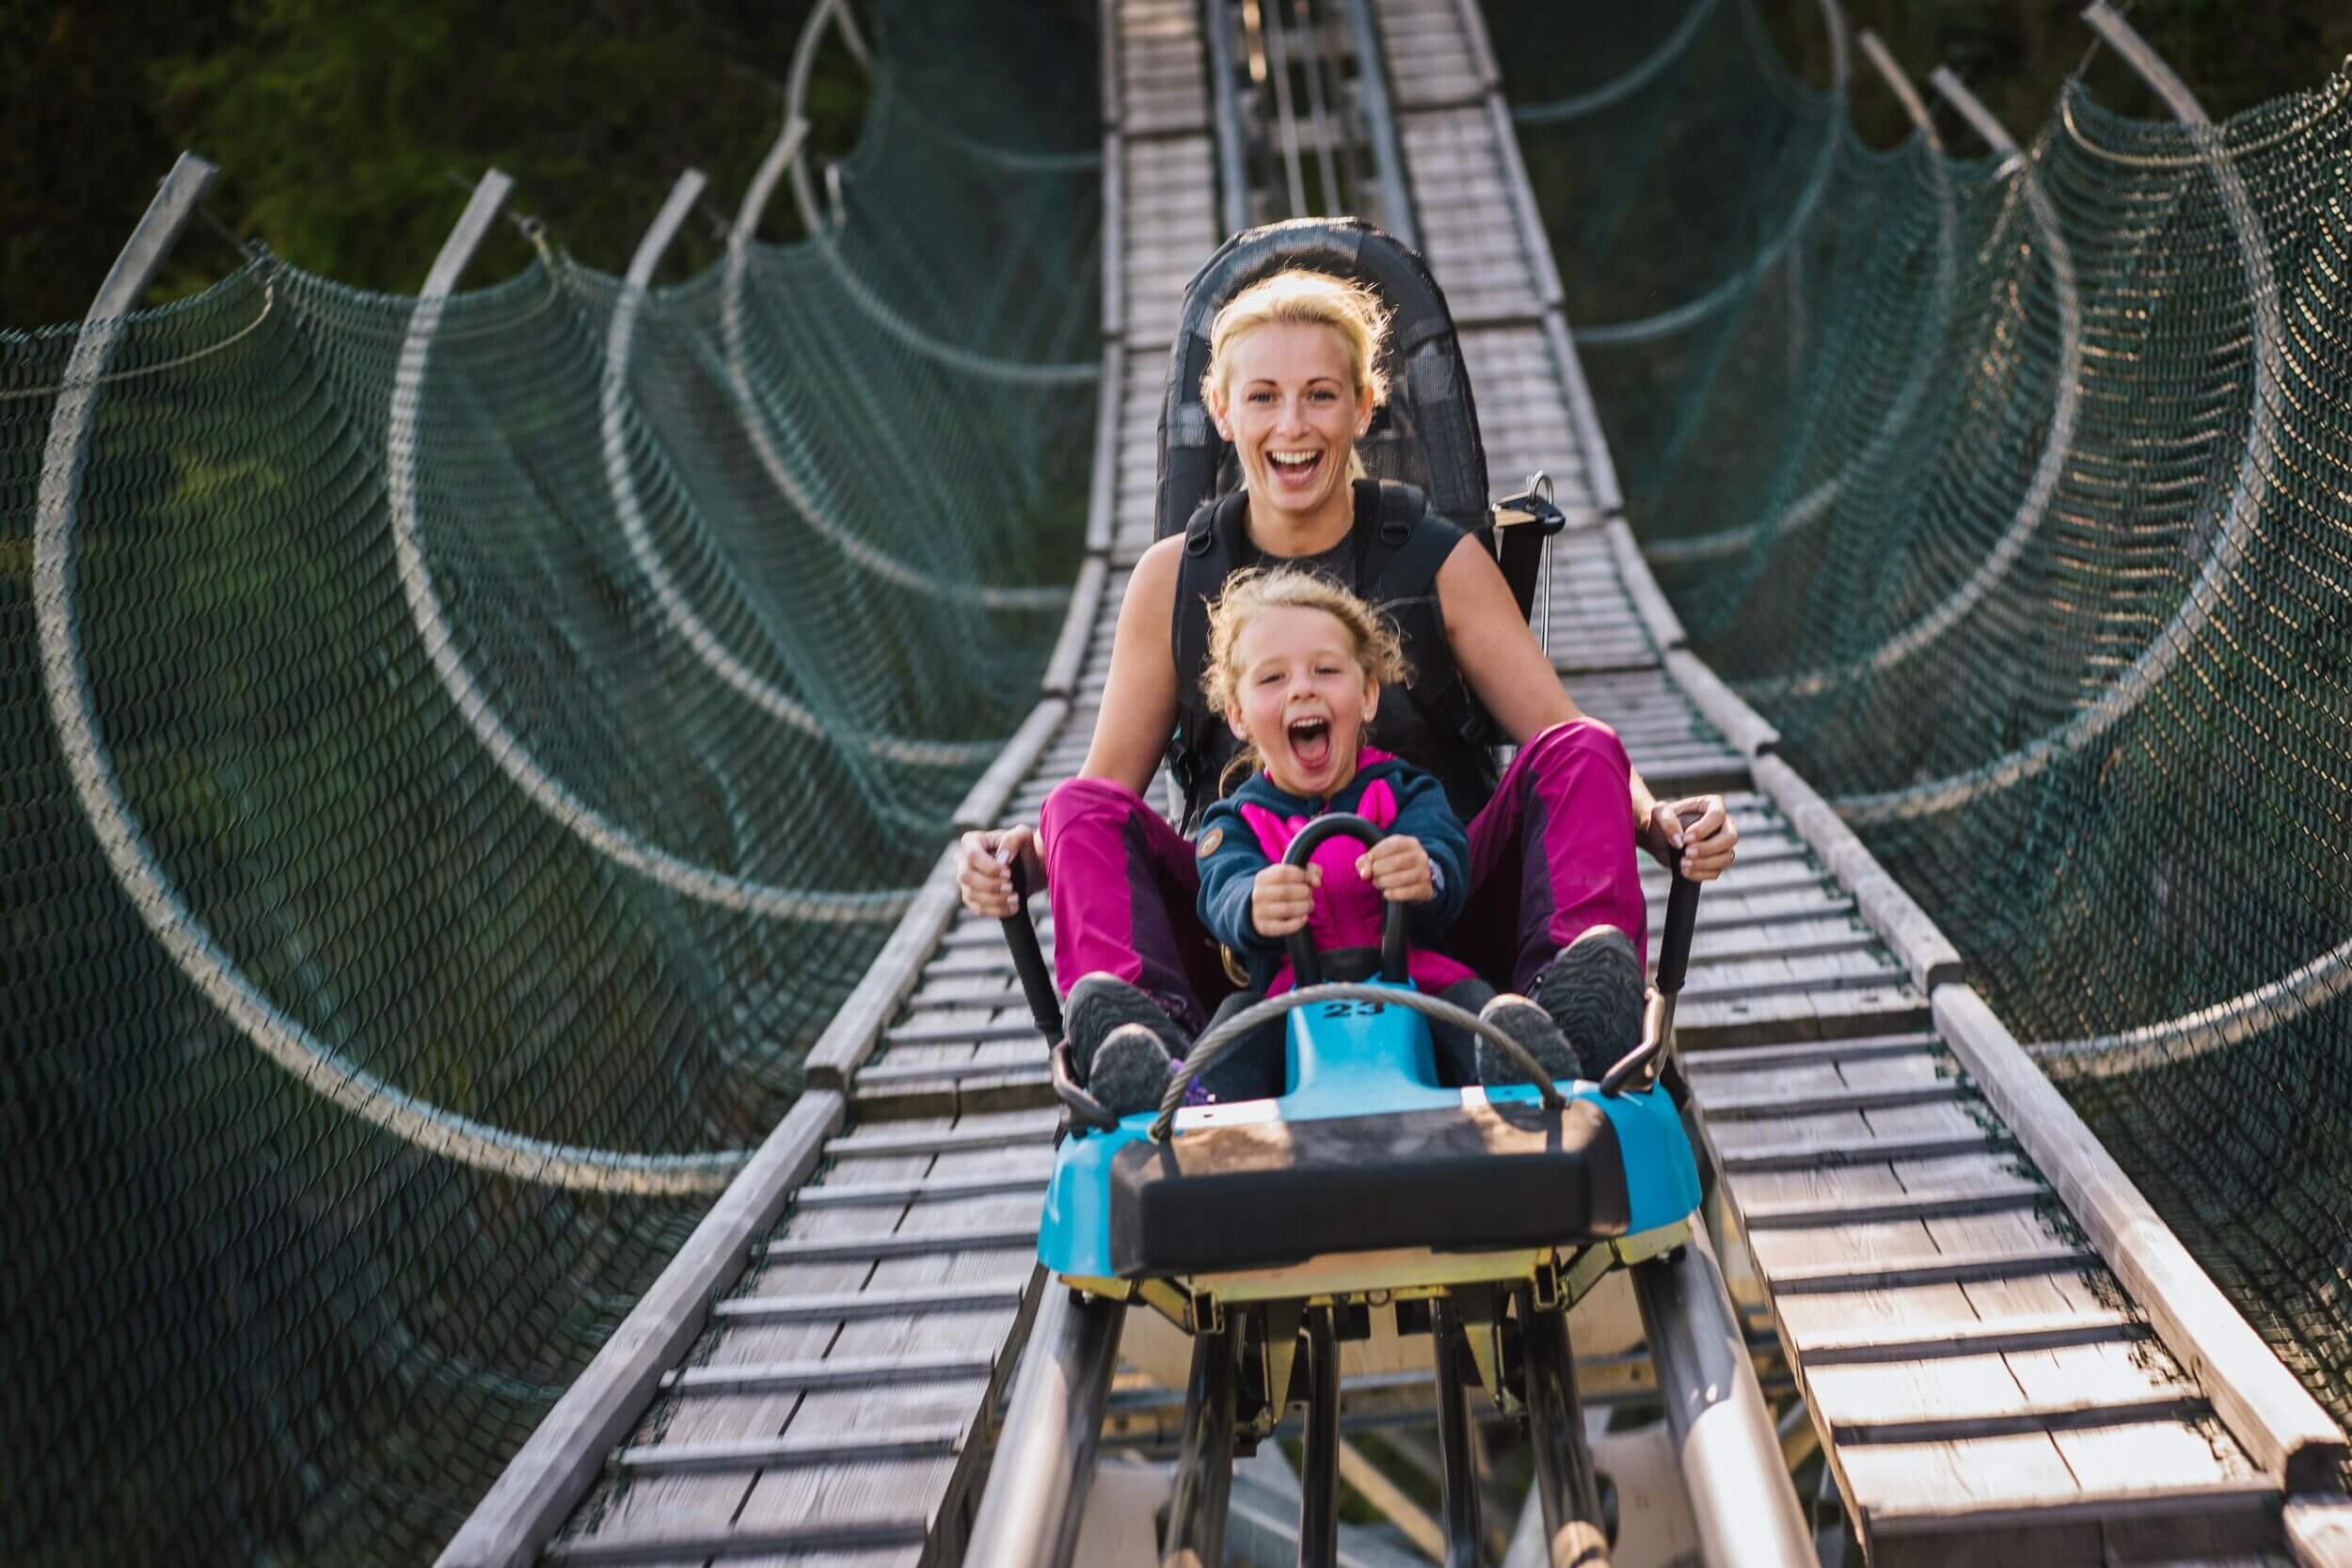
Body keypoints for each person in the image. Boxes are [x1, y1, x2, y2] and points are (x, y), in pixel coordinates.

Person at [956, 267, 1737, 1094]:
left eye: (1320, 395)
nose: (1291, 425)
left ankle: (1571, 1017)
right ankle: (1144, 1049)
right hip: (1254, 929)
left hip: (1439, 905)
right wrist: (1021, 857)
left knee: (1585, 746)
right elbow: (1101, 802)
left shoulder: (1439, 557)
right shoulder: (1170, 581)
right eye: (1262, 398)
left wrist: (1660, 822)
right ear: (1221, 410)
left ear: (1365, 406)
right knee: (1070, 806)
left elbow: (1564, 741)